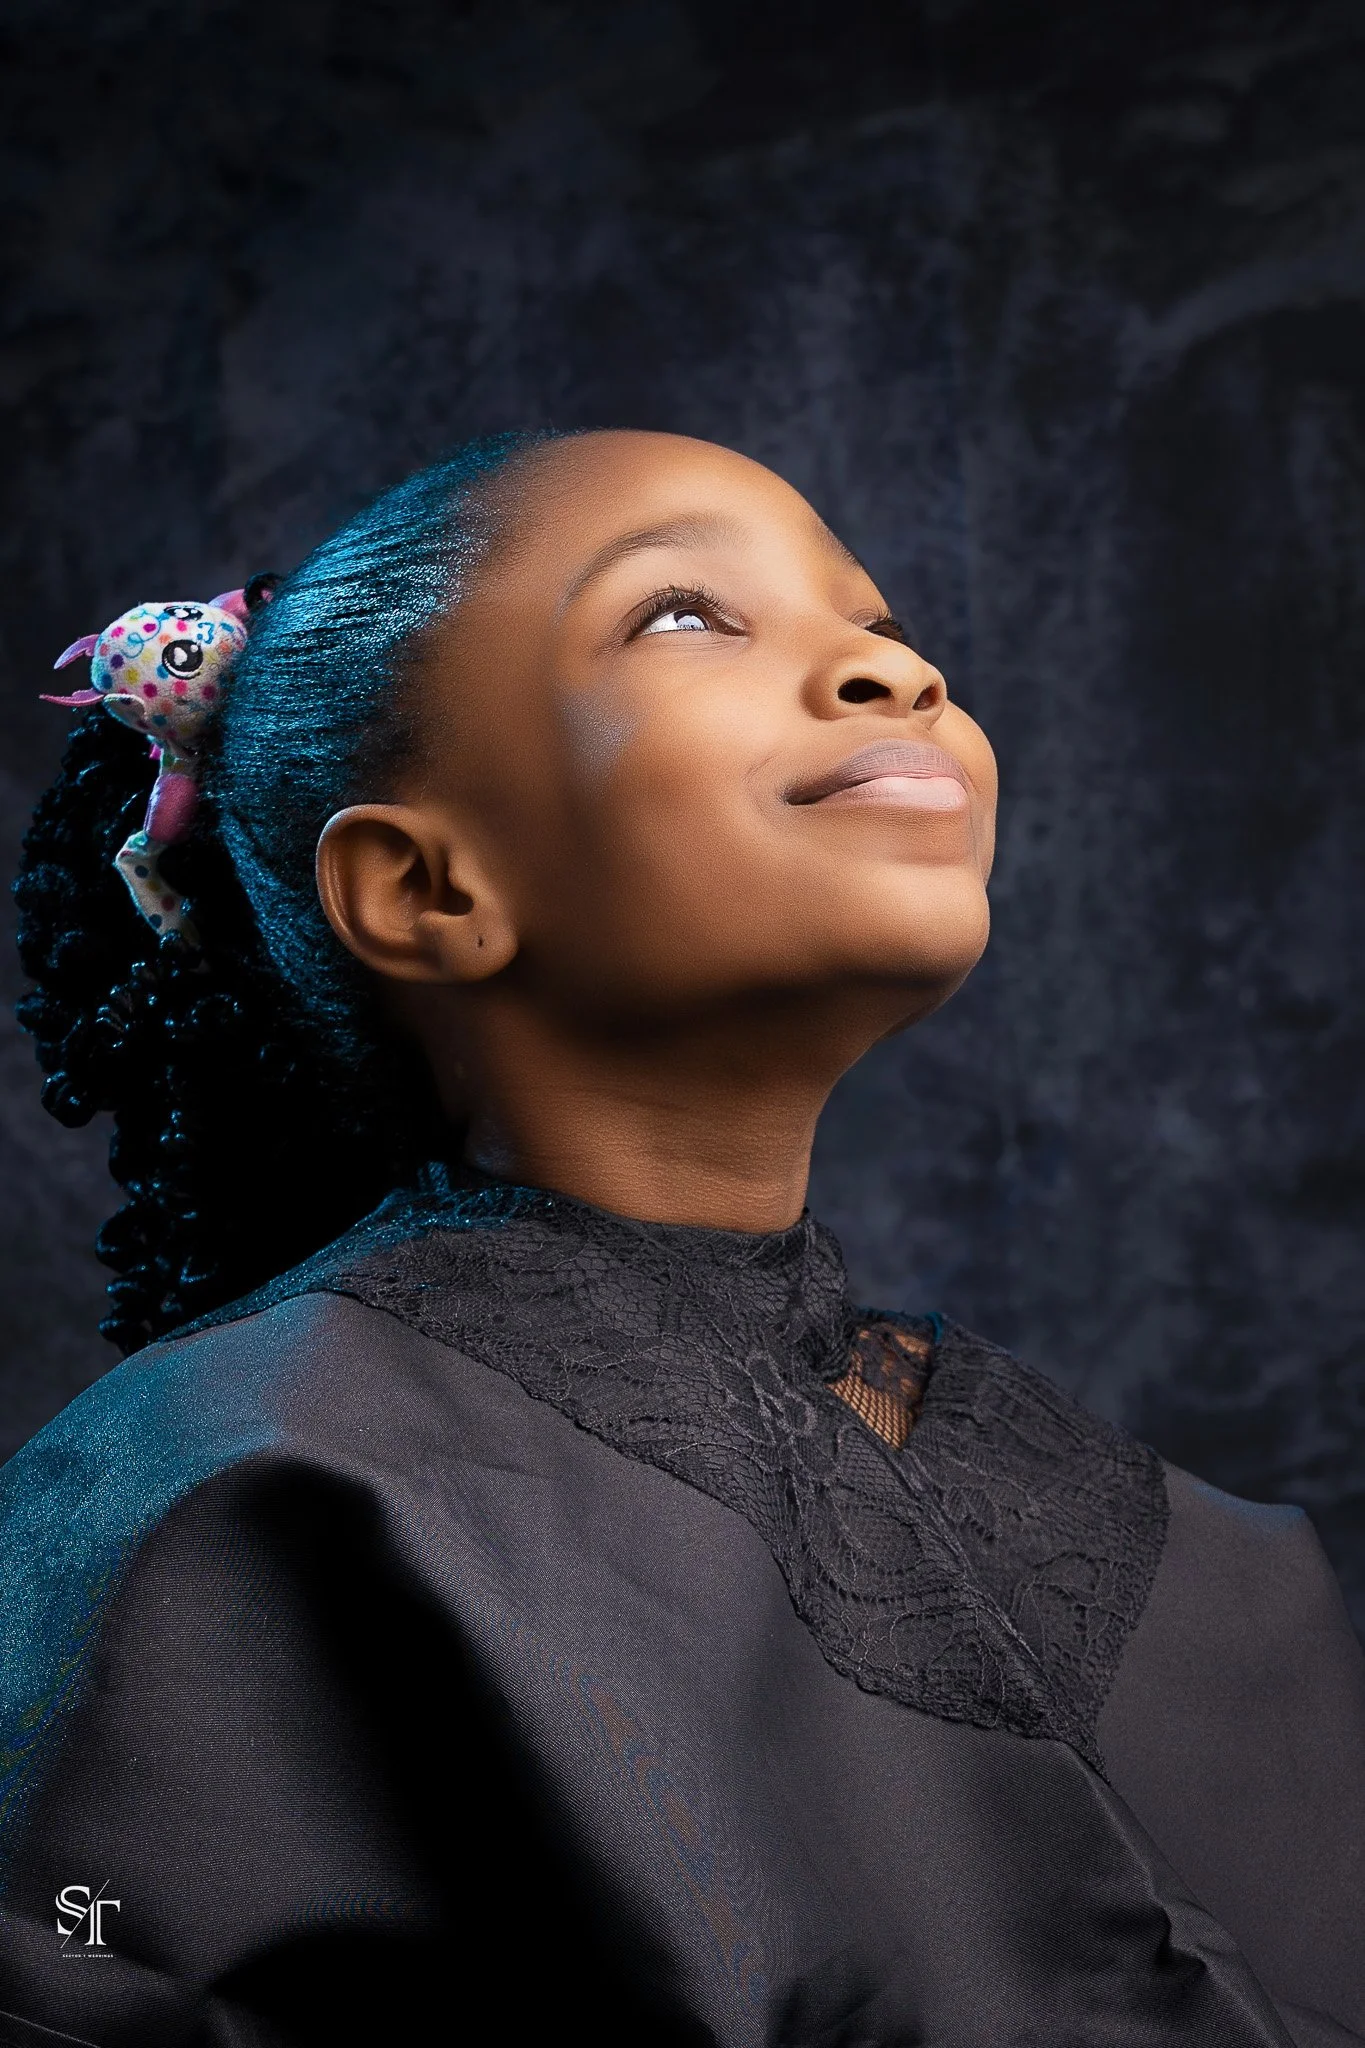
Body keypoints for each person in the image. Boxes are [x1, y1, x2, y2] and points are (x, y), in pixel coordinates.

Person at [2, 429, 1362, 2048]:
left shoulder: (1217, 1568)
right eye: (684, 617)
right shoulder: (231, 1493)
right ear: (425, 888)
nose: (891, 671)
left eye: (881, 618)